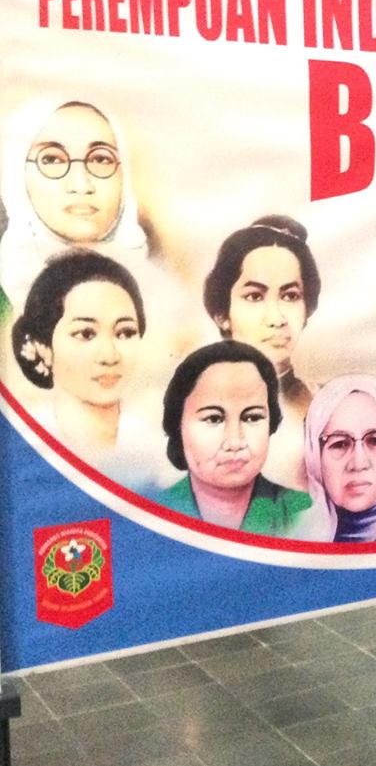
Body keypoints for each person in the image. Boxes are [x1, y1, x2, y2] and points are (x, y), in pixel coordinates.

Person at [203, 215, 321, 490]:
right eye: (255, 296)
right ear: (223, 314)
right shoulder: (188, 406)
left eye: (290, 296)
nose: (277, 317)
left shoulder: (333, 405)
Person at [0, 99, 150, 311]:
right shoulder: (5, 302)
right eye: (52, 160)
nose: (81, 185)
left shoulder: (164, 300)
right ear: (16, 177)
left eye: (100, 159)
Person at [158, 341, 310, 536]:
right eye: (214, 419)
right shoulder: (148, 513)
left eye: (252, 417)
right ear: (178, 424)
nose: (235, 441)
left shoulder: (306, 512)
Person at [11, 250, 146, 458]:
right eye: (85, 334)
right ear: (43, 346)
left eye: (125, 333)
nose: (109, 356)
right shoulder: (19, 444)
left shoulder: (157, 446)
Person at [301, 374, 376, 542]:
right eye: (340, 444)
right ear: (315, 454)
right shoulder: (292, 532)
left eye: (375, 441)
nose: (358, 463)